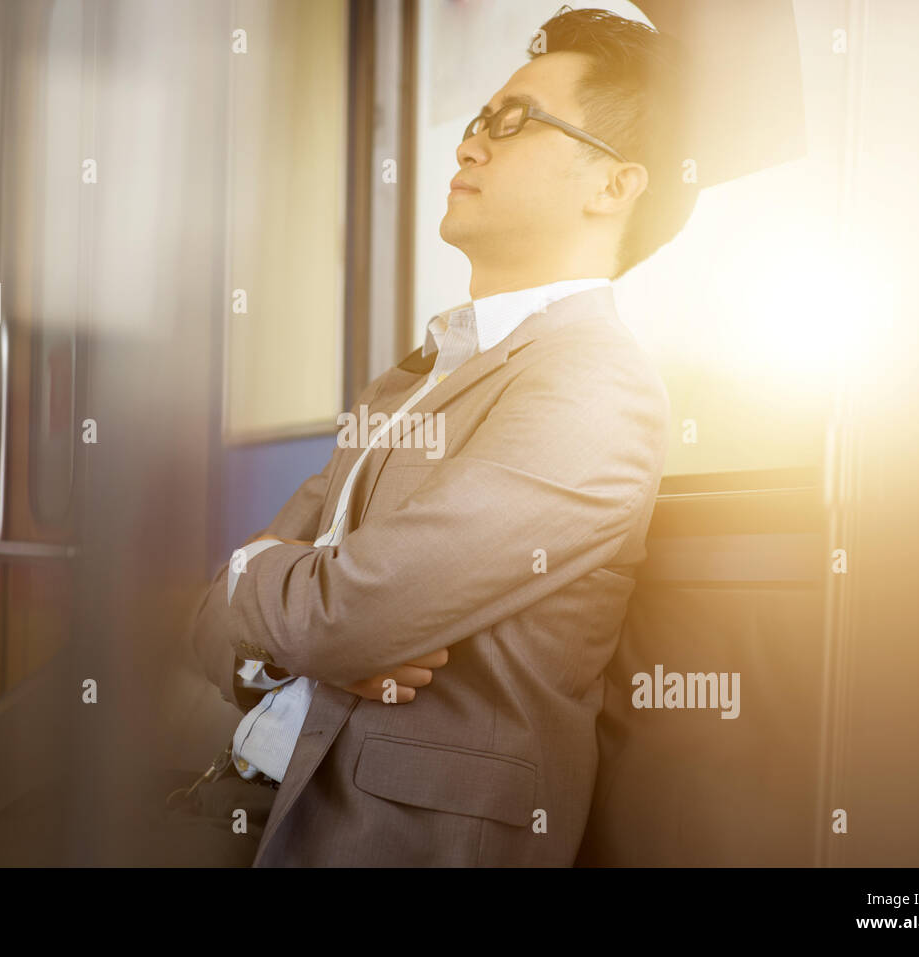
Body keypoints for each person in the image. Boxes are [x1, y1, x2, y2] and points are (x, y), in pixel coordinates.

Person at [182, 5, 696, 866]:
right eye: (475, 121)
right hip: (244, 797)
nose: (469, 145)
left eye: (515, 121)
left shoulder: (596, 386)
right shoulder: (414, 375)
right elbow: (219, 629)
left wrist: (258, 580)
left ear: (613, 185)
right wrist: (288, 641)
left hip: (376, 837)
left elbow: (344, 611)